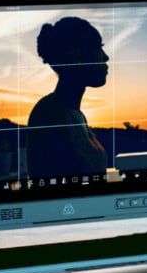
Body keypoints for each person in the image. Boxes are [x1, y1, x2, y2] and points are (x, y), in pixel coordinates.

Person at [27, 17, 109, 179]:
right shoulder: (49, 114)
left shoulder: (72, 113)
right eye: (98, 47)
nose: (106, 57)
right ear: (76, 54)